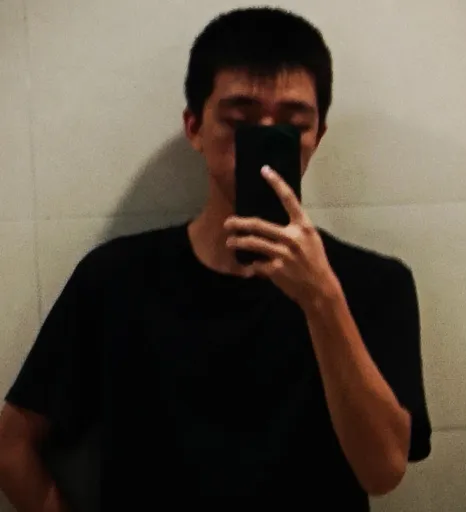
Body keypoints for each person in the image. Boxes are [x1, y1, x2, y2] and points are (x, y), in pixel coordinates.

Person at [0, 6, 431, 510]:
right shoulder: (115, 280)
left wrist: (323, 301)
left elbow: (383, 471)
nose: (263, 145)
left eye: (292, 125)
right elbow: (11, 444)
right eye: (239, 122)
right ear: (194, 127)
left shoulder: (374, 284)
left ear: (318, 135)